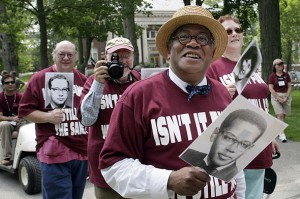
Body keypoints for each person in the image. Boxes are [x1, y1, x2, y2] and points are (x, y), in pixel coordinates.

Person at [99, 6, 241, 198]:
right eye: (183, 37)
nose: (193, 43)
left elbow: (235, 162)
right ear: (167, 50)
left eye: (202, 38)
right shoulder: (138, 96)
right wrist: (168, 180)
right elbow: (112, 165)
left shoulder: (223, 93)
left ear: (212, 52)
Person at [207, 15, 279, 199]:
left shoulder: (251, 65)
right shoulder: (213, 67)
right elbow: (205, 105)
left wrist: (270, 136)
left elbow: (261, 104)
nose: (234, 34)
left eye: (237, 30)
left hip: (260, 144)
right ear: (220, 38)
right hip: (233, 147)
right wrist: (221, 93)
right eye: (228, 31)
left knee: (255, 195)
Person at [18, 40, 88, 199]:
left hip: (81, 151)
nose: (65, 58)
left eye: (70, 54)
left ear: (76, 57)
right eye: (61, 54)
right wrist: (47, 117)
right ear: (54, 56)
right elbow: (24, 110)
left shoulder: (83, 80)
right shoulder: (39, 78)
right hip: (54, 151)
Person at [77, 37, 141, 199]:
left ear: (133, 57)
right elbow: (86, 120)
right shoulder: (94, 81)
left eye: (126, 56)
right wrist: (98, 84)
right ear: (106, 58)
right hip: (105, 164)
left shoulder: (141, 80)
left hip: (139, 164)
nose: (122, 61)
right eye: (116, 57)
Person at [181, 109, 267, 182]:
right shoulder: (187, 154)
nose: (231, 149)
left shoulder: (236, 178)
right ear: (215, 134)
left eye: (244, 144)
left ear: (249, 149)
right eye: (229, 138)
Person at [0, 74, 26, 165]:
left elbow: (27, 111)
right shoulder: (0, 97)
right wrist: (12, 118)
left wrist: (21, 117)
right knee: (4, 125)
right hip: (6, 122)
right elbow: (0, 116)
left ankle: (27, 154)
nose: (10, 84)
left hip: (20, 121)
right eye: (7, 82)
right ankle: (6, 157)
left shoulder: (20, 96)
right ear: (3, 85)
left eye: (12, 82)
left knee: (28, 126)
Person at [268, 58, 292, 143]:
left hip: (286, 96)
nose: (281, 65)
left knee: (283, 115)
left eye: (281, 64)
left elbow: (289, 86)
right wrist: (279, 98)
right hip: (276, 96)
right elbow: (270, 88)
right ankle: (282, 134)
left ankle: (278, 130)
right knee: (280, 114)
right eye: (278, 64)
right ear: (275, 66)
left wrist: (286, 97)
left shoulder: (286, 75)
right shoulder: (272, 76)